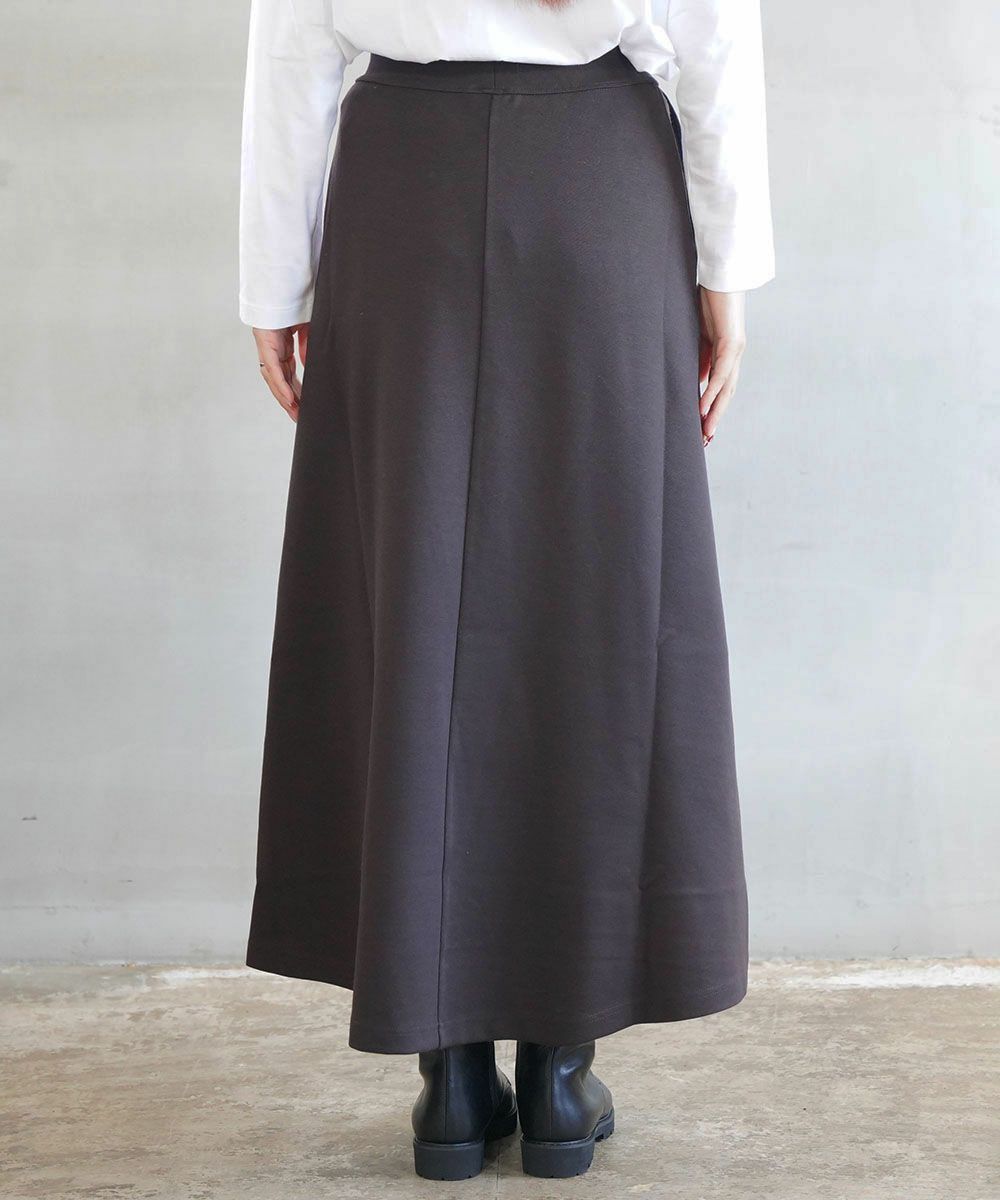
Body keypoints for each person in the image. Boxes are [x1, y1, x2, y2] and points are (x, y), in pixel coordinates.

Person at [238, 0, 774, 1182]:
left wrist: (272, 281)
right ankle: (559, 1076)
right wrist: (726, 268)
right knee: (593, 615)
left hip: (400, 194)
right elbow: (713, 43)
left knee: (407, 597)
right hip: (597, 183)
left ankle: (450, 1077)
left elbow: (292, 48)